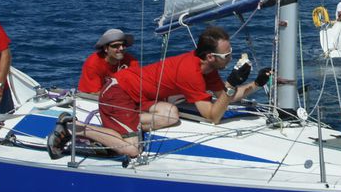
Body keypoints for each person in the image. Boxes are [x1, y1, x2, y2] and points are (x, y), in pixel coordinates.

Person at [48, 26, 271, 159]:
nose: (231, 57)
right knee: (133, 150)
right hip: (119, 93)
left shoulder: (208, 69)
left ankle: (122, 124)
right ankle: (74, 127)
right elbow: (214, 115)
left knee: (171, 114)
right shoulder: (190, 72)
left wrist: (256, 84)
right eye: (227, 55)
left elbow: (224, 96)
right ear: (211, 57)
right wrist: (231, 84)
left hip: (138, 97)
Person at [77, 28, 139, 94]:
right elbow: (94, 93)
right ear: (106, 48)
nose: (121, 48)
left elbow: (137, 86)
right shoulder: (93, 63)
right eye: (116, 46)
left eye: (123, 45)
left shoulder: (131, 61)